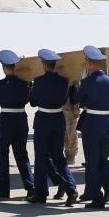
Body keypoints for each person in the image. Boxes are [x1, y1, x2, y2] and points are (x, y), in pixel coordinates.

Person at [73, 45, 109, 209]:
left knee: (92, 162)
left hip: (91, 124)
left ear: (88, 63)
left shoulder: (87, 82)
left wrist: (79, 83)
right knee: (103, 160)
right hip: (105, 123)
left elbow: (75, 99)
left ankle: (97, 197)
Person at [27, 49, 78, 206]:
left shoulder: (39, 81)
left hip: (43, 120)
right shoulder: (63, 81)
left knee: (41, 158)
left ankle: (41, 194)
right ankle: (71, 188)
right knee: (59, 157)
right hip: (58, 119)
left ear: (43, 65)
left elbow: (33, 101)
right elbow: (64, 100)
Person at [0, 50, 35, 201]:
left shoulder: (0, 84)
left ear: (4, 67)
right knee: (22, 156)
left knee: (3, 156)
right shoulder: (24, 84)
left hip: (5, 122)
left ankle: (4, 190)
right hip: (21, 121)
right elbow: (28, 99)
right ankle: (30, 187)